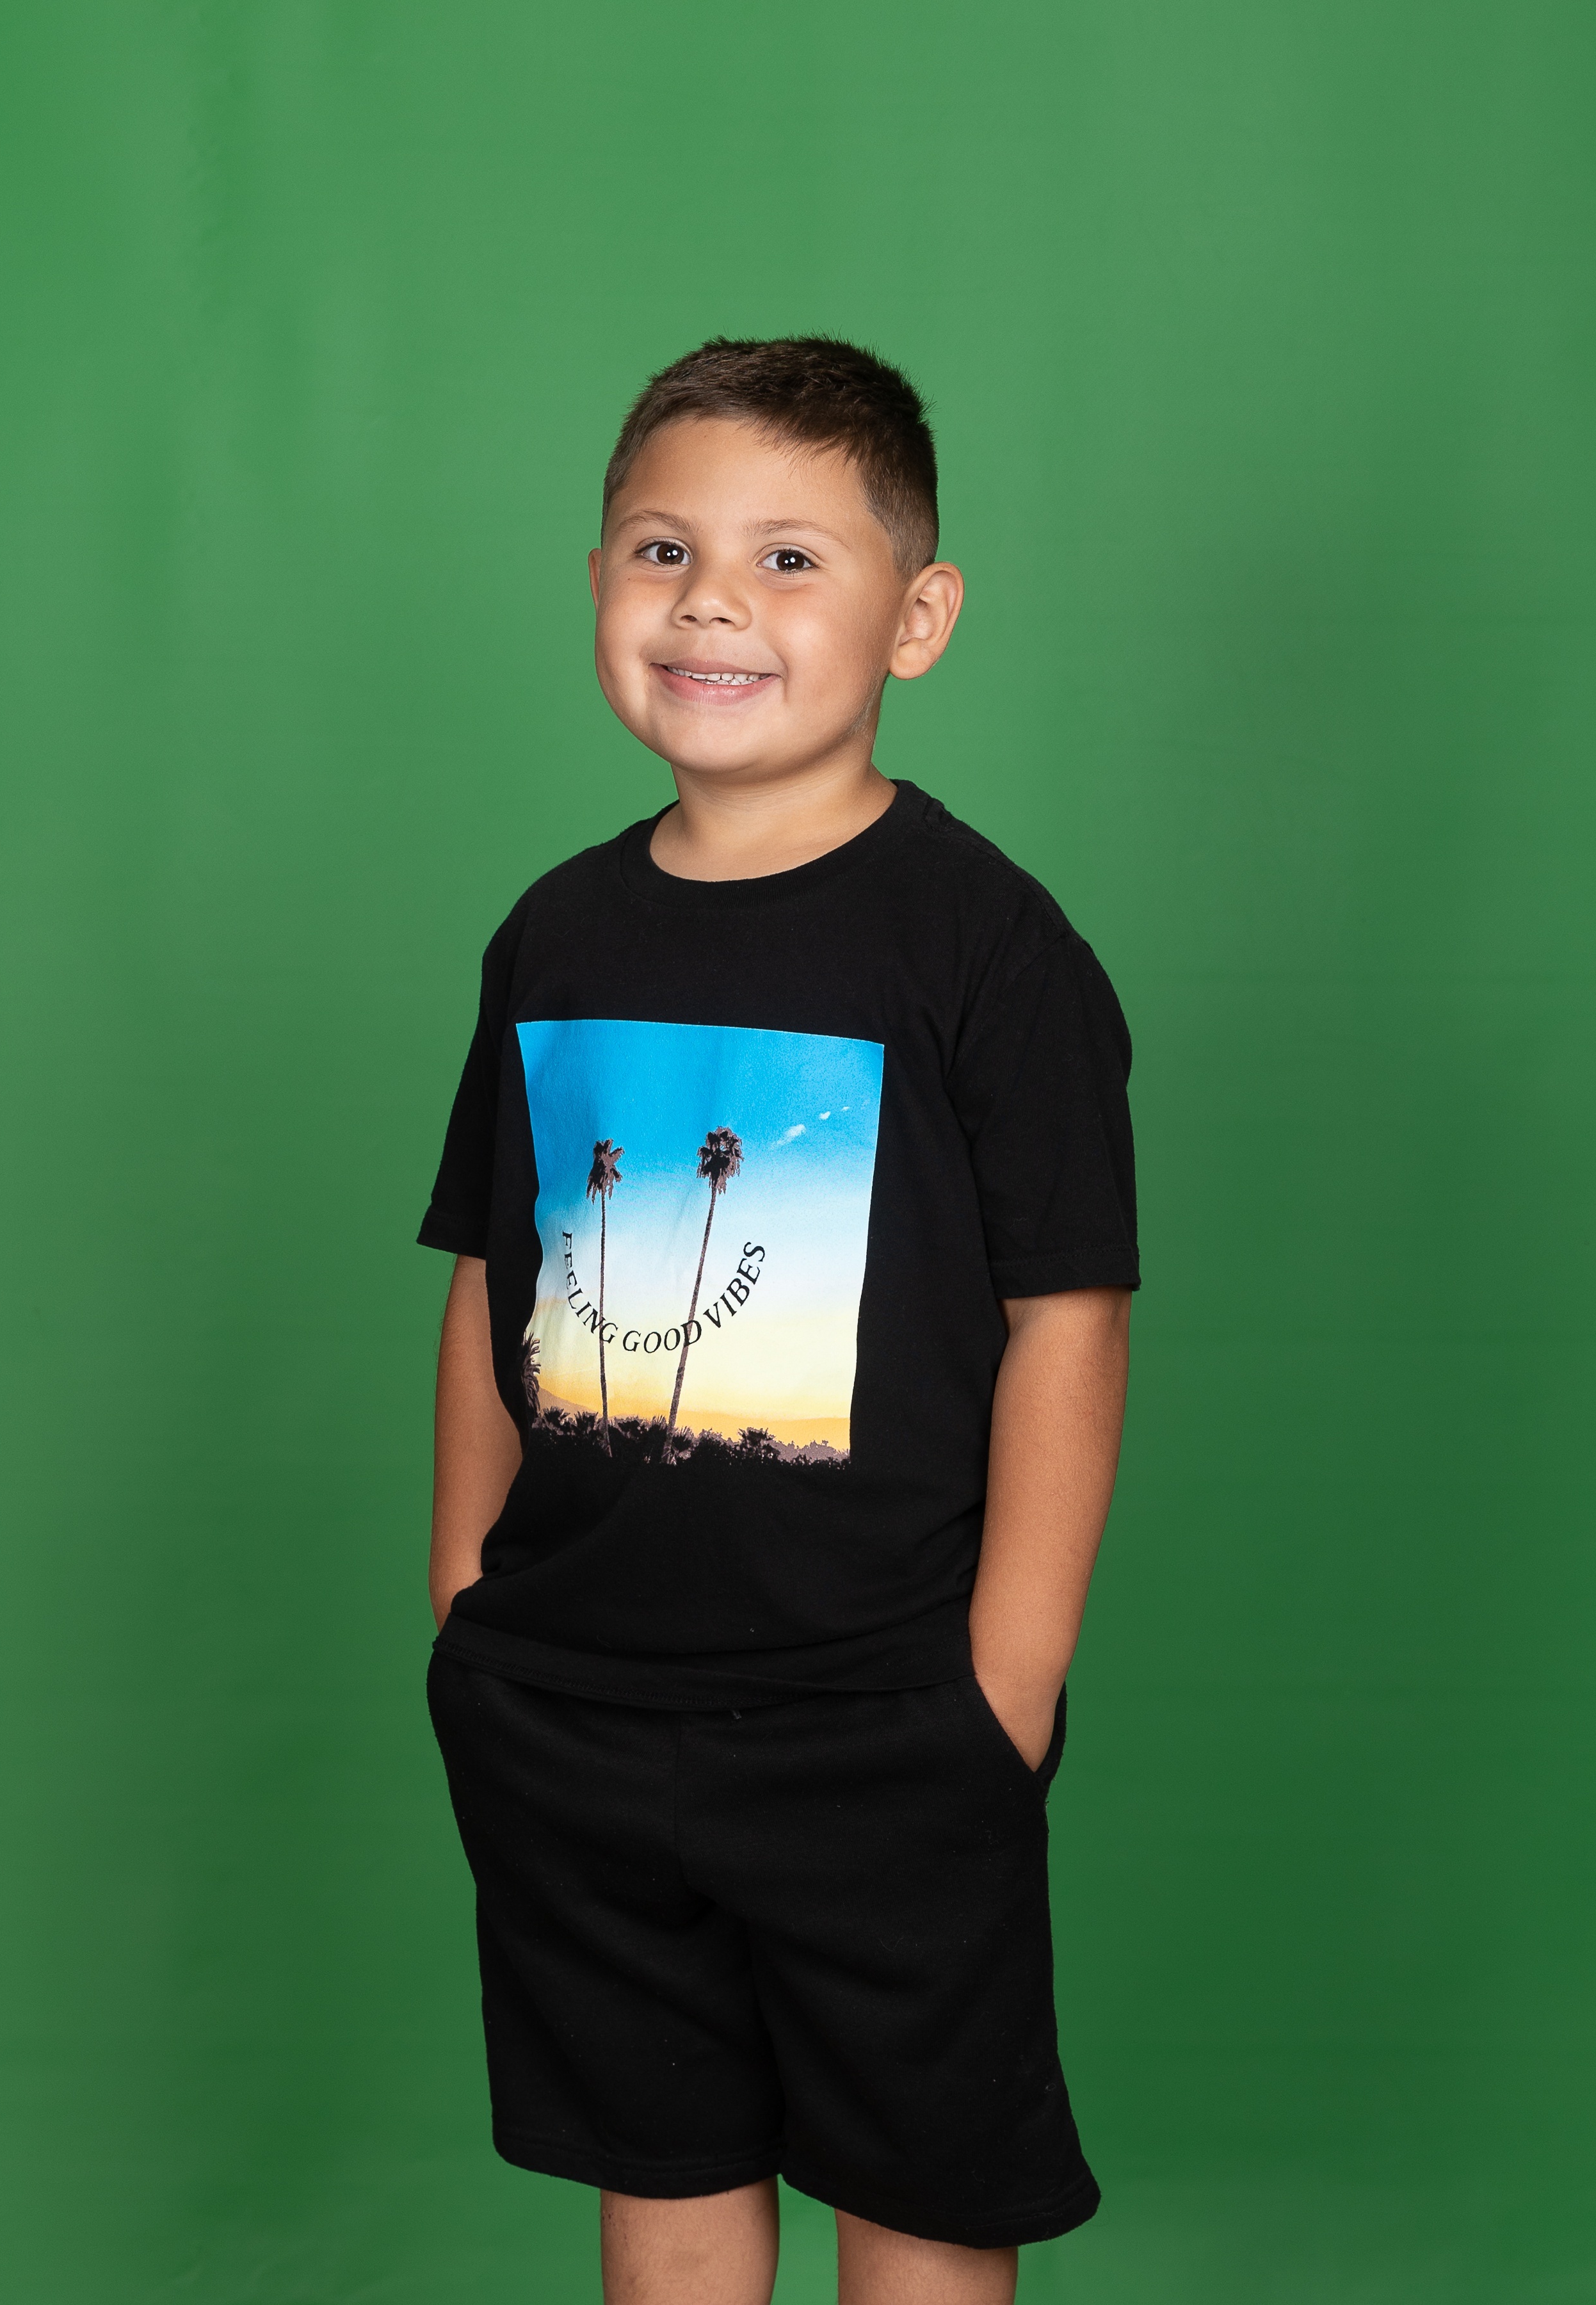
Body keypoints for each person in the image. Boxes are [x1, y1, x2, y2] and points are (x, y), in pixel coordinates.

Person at [417, 336, 1138, 2305]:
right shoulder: (554, 933)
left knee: (921, 2196)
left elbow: (1069, 1318)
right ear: (597, 586)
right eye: (664, 550)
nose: (712, 600)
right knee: (660, 2173)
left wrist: (1004, 1689)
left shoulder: (987, 945)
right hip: (572, 1706)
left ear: (920, 619)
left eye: (789, 559)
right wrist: (465, 1596)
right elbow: (493, 1270)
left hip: (885, 1714)